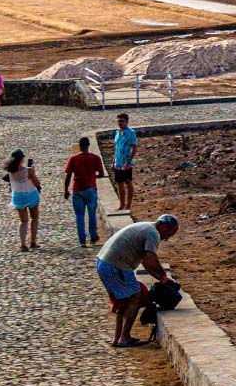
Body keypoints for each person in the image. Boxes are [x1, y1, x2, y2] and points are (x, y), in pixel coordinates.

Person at [96, 213, 178, 347]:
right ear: (164, 227)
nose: (167, 239)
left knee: (123, 300)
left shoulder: (146, 226)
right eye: (169, 234)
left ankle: (117, 338)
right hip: (115, 265)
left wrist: (162, 279)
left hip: (104, 263)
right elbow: (151, 258)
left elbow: (145, 262)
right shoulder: (153, 234)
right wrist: (163, 275)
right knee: (135, 297)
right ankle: (124, 337)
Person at [62, 135, 106, 247]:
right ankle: (93, 235)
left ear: (80, 146)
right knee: (92, 213)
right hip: (91, 188)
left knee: (79, 215)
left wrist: (66, 190)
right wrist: (93, 177)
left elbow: (68, 175)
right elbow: (101, 173)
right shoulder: (95, 158)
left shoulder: (73, 159)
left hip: (77, 189)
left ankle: (82, 239)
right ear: (88, 146)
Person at [4, 149, 40, 250]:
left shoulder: (10, 171)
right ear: (22, 159)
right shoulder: (28, 171)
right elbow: (37, 183)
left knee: (23, 221)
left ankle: (23, 244)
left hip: (18, 198)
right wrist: (33, 171)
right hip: (31, 195)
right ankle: (33, 242)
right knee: (34, 218)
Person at [110, 112, 138, 212]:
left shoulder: (131, 133)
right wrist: (113, 162)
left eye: (122, 121)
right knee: (119, 184)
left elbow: (134, 149)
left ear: (127, 122)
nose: (120, 123)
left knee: (128, 183)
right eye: (119, 121)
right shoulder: (117, 133)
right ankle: (122, 205)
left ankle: (128, 205)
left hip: (126, 163)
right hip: (118, 163)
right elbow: (116, 148)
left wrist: (128, 162)